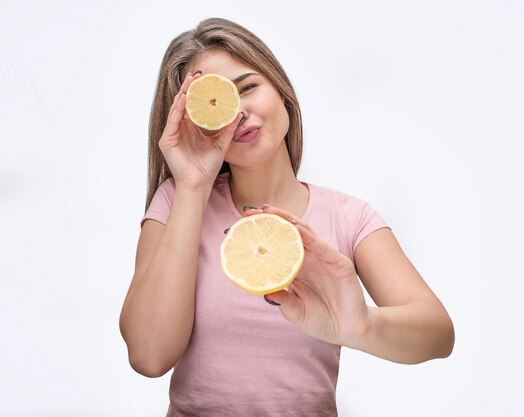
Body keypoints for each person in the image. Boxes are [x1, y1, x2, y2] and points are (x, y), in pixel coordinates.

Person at [119, 17, 455, 417]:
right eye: (215, 103)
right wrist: (192, 184)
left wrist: (360, 324)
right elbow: (149, 356)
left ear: (282, 92)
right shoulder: (176, 203)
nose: (238, 112)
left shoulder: (348, 217)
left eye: (247, 88)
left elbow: (438, 334)